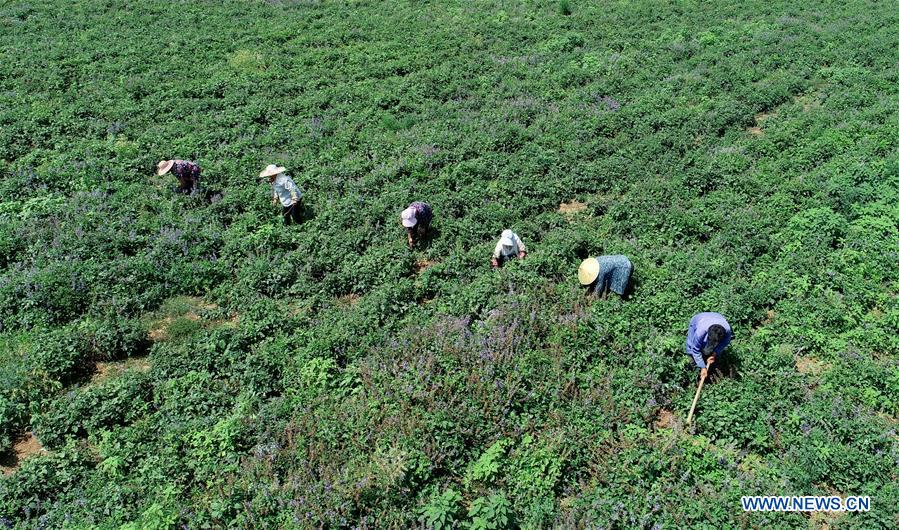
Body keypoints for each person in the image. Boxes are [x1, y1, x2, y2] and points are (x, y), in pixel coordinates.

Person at [685, 312, 733, 381]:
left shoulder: (727, 331)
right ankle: (693, 366)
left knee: (713, 350)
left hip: (715, 317)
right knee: (691, 347)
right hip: (698, 319)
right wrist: (703, 367)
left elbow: (724, 343)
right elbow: (695, 349)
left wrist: (714, 354)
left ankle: (710, 365)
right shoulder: (700, 331)